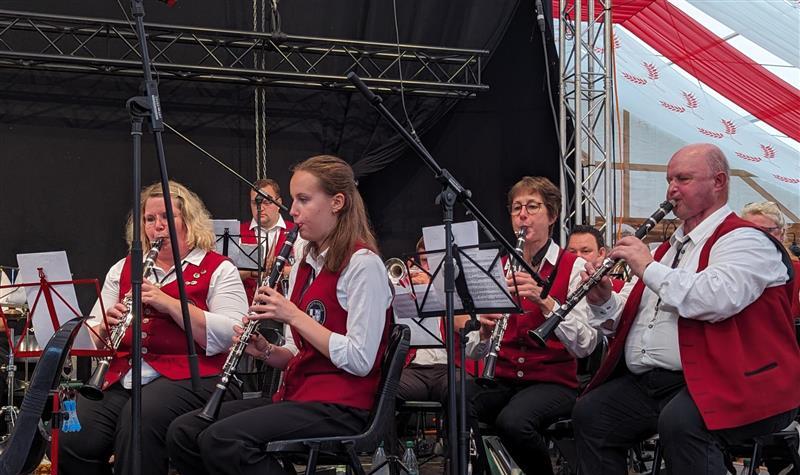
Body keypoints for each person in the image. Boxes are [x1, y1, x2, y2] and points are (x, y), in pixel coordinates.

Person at [572, 143, 800, 475]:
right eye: (669, 179)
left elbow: (712, 300)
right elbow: (635, 317)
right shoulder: (668, 250)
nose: (671, 189)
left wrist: (646, 266)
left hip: (737, 381)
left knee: (682, 423)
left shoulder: (746, 241)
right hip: (662, 382)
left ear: (719, 182)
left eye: (683, 179)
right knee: (591, 414)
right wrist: (603, 300)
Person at [166, 155, 393, 475]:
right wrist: (268, 351)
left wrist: (294, 315)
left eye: (304, 199)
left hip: (342, 406)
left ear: (337, 202)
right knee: (184, 432)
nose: (294, 211)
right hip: (299, 395)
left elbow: (360, 358)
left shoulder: (363, 265)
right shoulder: (304, 262)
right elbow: (298, 353)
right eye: (294, 200)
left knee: (224, 440)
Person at [59, 181, 248, 475]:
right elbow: (92, 334)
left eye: (166, 217)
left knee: (139, 422)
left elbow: (232, 334)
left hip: (195, 375)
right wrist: (105, 329)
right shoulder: (123, 267)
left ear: (188, 220)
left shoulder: (218, 268)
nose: (157, 226)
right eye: (150, 219)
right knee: (73, 434)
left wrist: (170, 304)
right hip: (126, 374)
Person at [464, 176, 598, 475]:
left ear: (552, 215)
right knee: (457, 399)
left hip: (553, 382)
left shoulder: (572, 266)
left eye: (532, 207)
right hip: (503, 377)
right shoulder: (499, 267)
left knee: (513, 422)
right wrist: (484, 333)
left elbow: (586, 343)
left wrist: (545, 302)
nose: (522, 215)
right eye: (516, 208)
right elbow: (474, 350)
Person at [239, 178, 300, 301]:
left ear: (279, 203)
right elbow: (226, 274)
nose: (260, 207)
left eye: (267, 202)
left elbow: (305, 270)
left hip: (285, 309)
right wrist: (253, 272)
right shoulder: (237, 233)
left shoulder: (297, 231)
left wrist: (278, 270)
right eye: (255, 202)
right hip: (246, 308)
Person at [741, 201, 800, 319]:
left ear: (782, 233)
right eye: (750, 230)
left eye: (767, 231)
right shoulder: (726, 269)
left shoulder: (797, 270)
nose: (757, 237)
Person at [567, 224, 625, 291]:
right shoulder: (556, 285)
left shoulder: (621, 290)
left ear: (601, 253)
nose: (578, 256)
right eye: (572, 252)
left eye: (585, 251)